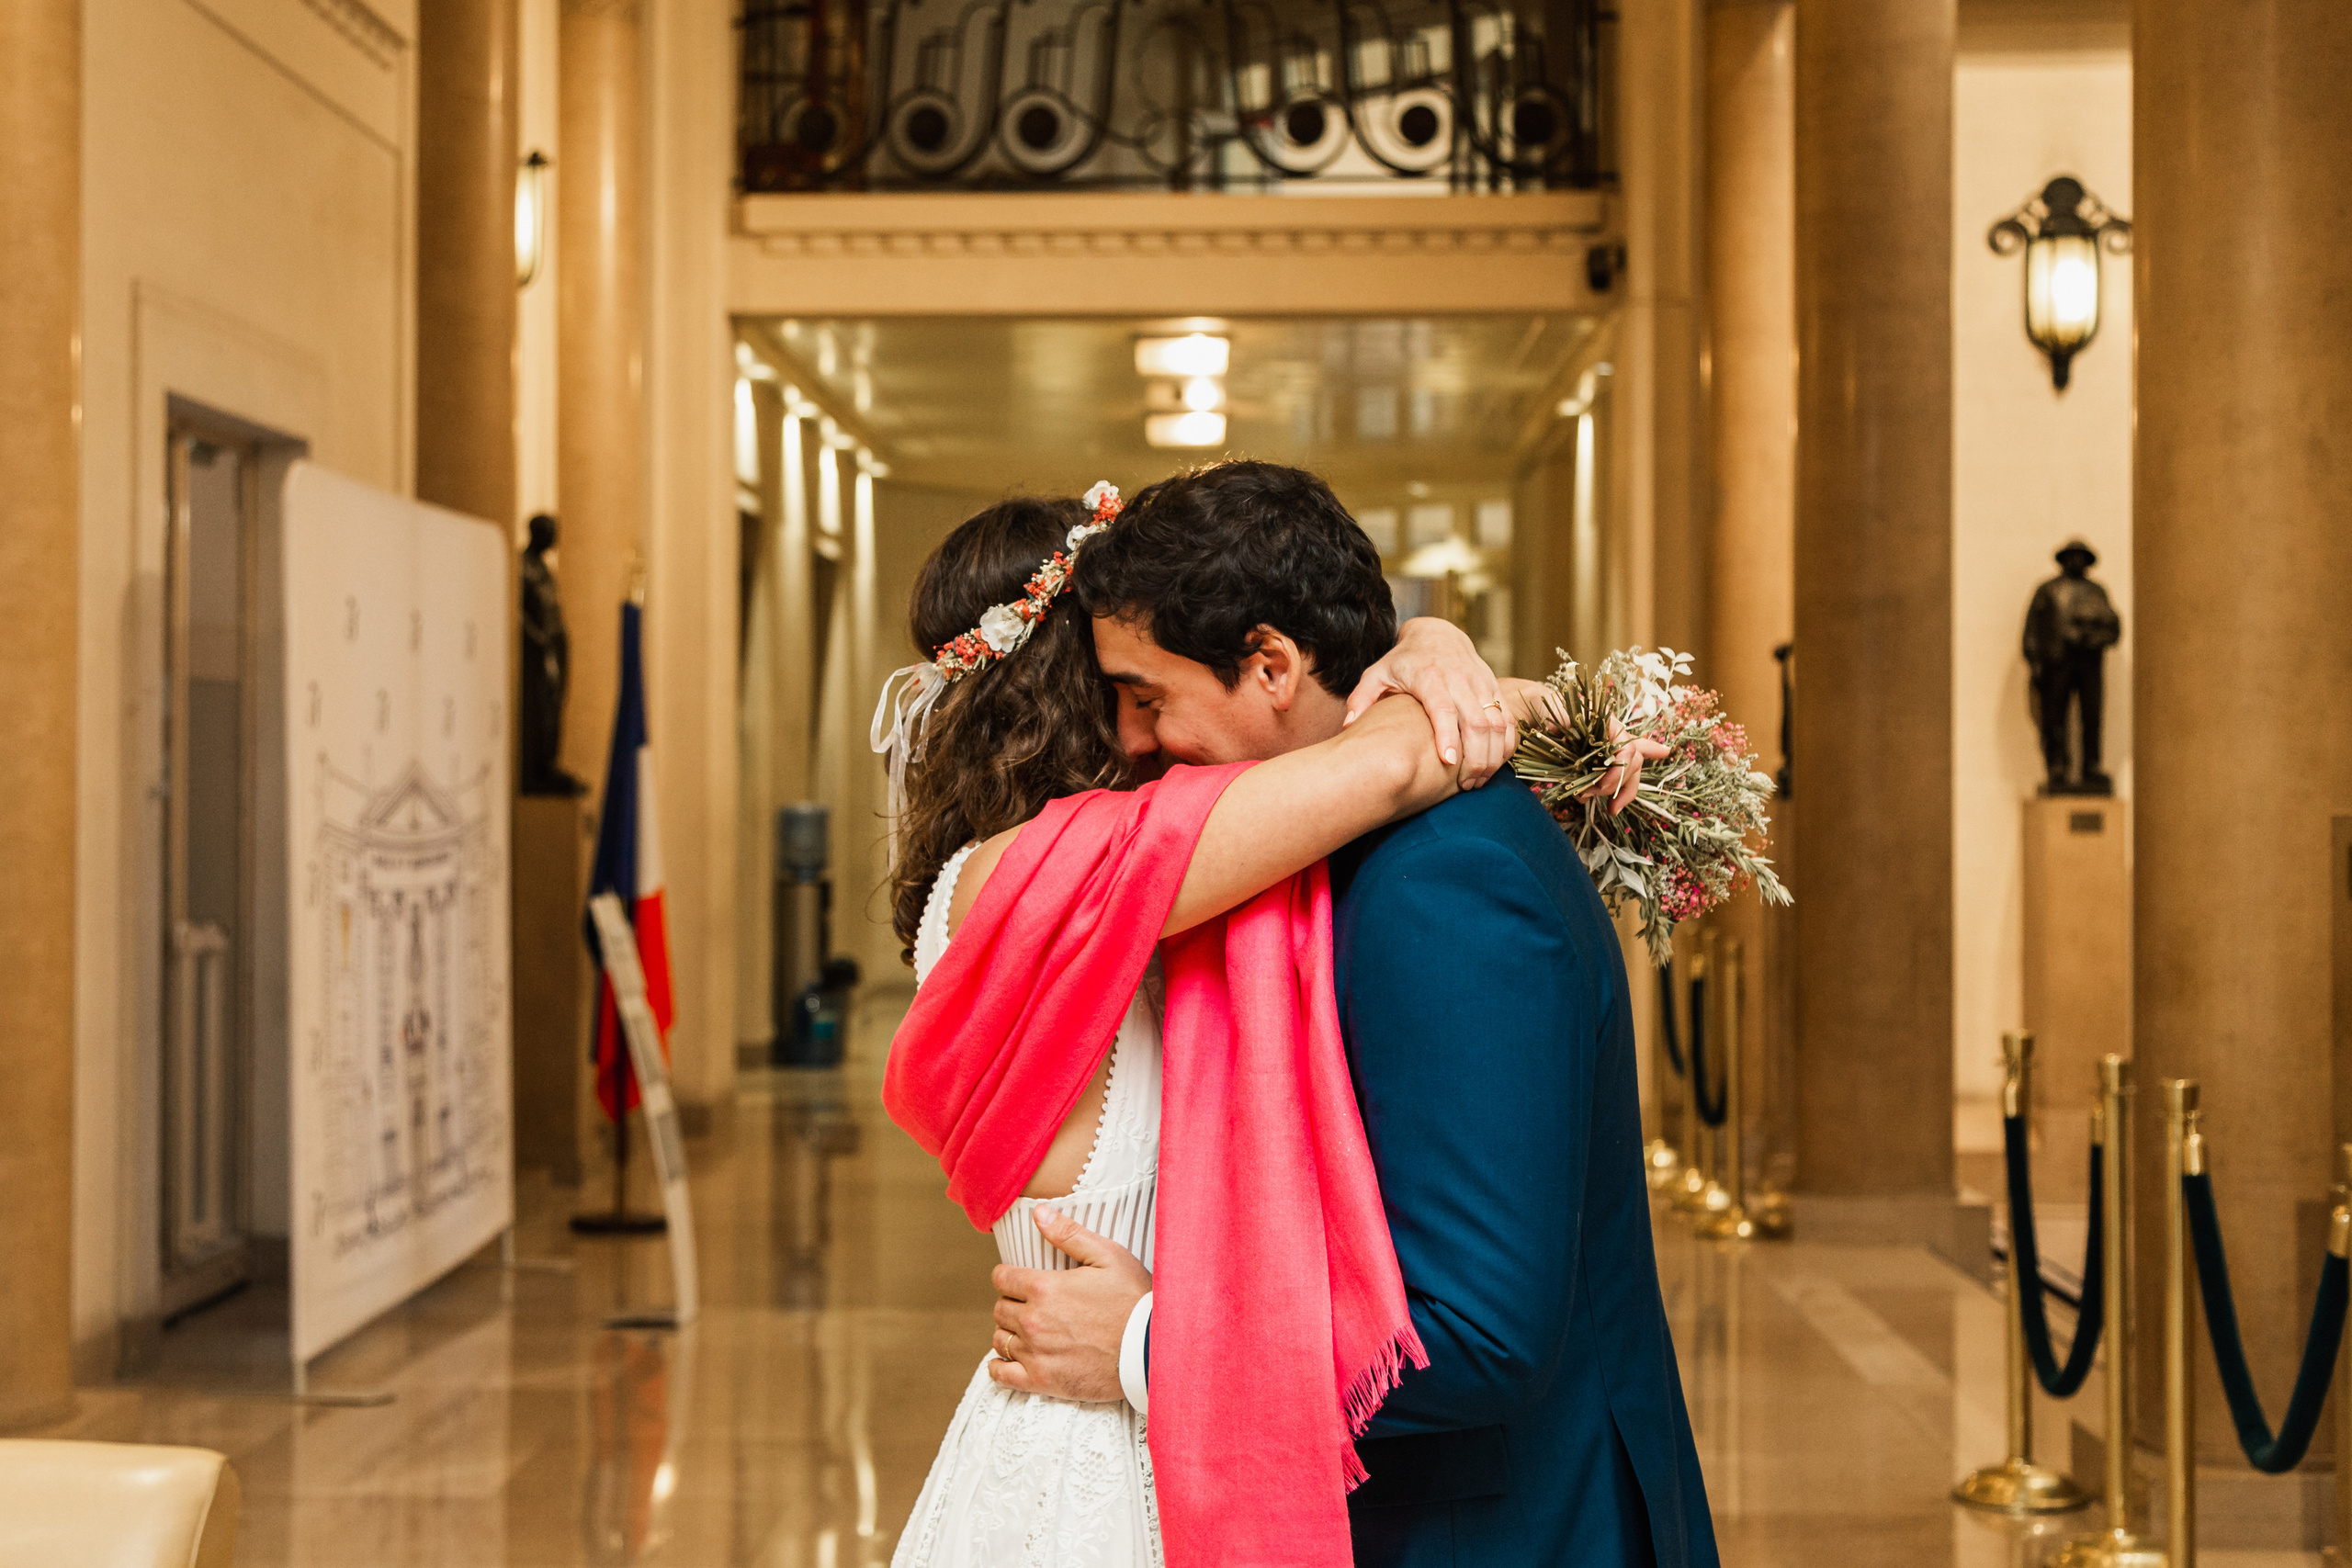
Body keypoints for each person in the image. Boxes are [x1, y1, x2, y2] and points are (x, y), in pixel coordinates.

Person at [994, 461, 1720, 1568]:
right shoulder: (1352, 831)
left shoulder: (1443, 884)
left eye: (1148, 697)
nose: (1133, 742)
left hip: (1500, 1529)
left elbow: (1476, 1332)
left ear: (1273, 665)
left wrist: (1148, 1344)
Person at [875, 486, 1540, 1568]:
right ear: (1078, 687)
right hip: (1094, 1468)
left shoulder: (1128, 881)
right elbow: (1391, 759)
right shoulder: (1068, 876)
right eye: (1129, 687)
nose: (1150, 726)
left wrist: (1423, 641)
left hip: (1163, 1423)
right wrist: (1433, 657)